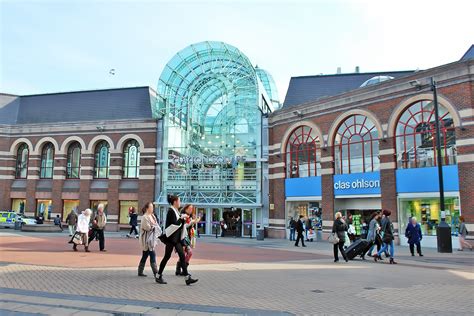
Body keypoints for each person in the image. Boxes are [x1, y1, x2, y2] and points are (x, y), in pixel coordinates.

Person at [156, 195, 198, 285]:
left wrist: (183, 219)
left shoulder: (175, 211)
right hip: (172, 239)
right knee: (167, 257)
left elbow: (178, 225)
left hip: (176, 239)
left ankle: (187, 278)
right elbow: (173, 225)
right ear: (175, 202)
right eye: (179, 201)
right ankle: (158, 275)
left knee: (182, 256)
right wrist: (182, 218)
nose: (180, 202)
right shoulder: (171, 211)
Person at [176, 204, 200, 276]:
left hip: (187, 238)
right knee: (185, 254)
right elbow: (184, 226)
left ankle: (180, 269)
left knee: (186, 254)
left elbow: (190, 225)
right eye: (189, 208)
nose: (191, 210)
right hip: (182, 238)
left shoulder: (190, 216)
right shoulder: (183, 215)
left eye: (192, 209)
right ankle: (182, 270)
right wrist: (192, 222)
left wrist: (195, 221)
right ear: (185, 209)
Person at [137, 202, 160, 277]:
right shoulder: (145, 217)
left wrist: (154, 226)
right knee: (152, 254)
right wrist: (153, 226)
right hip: (146, 240)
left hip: (152, 239)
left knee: (145, 255)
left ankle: (140, 271)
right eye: (151, 207)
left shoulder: (152, 216)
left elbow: (156, 224)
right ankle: (156, 273)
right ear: (147, 208)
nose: (152, 208)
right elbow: (147, 227)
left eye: (152, 207)